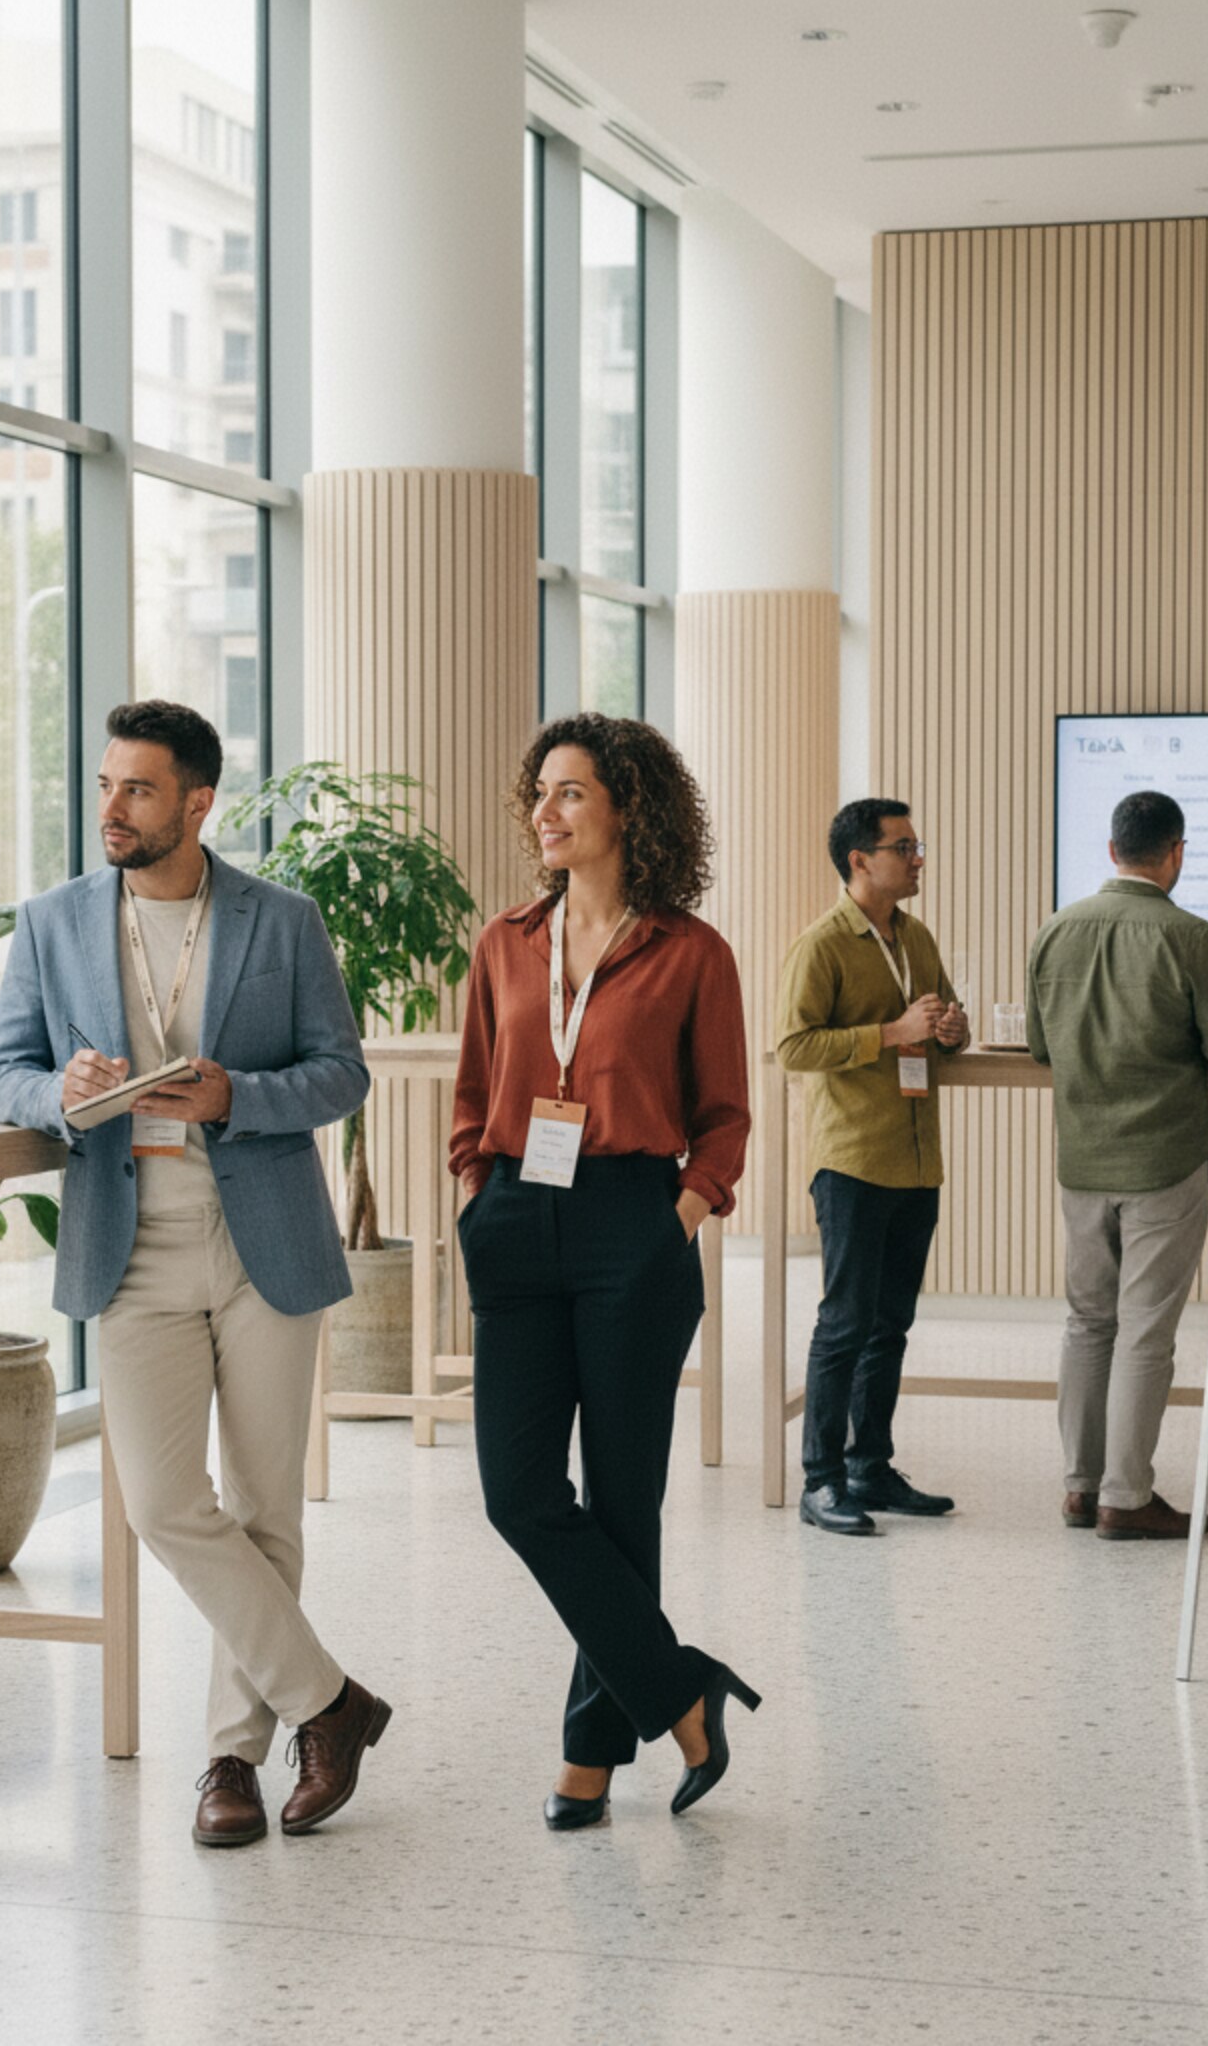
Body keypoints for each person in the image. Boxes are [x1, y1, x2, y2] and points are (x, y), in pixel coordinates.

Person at [0, 699, 391, 1850]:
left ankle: (231, 1758)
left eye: (138, 789)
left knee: (265, 1505)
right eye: (106, 784)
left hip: (261, 1239)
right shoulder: (54, 921)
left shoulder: (282, 919)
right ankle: (331, 1702)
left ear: (196, 802)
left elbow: (339, 1073)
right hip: (131, 1246)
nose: (110, 807)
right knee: (164, 1501)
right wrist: (55, 1093)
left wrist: (235, 1099)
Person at [451, 711, 757, 1832]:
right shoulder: (503, 942)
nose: (544, 811)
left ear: (627, 805)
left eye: (569, 791)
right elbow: (473, 1091)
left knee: (625, 1502)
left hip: (634, 1219)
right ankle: (682, 1690)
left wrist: (676, 1215)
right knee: (519, 1492)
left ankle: (587, 1755)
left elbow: (724, 1113)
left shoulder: (689, 951)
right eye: (539, 792)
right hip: (518, 1219)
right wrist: (476, 1201)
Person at [1026, 789, 1208, 1540]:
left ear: (1113, 850)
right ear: (1175, 853)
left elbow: (1041, 1047)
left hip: (1082, 1157)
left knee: (1088, 1322)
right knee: (1145, 1331)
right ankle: (1126, 1494)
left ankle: (1080, 1488)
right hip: (1165, 1159)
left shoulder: (1055, 930)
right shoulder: (1191, 935)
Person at [775, 800, 969, 1537]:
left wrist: (951, 1028)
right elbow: (794, 1046)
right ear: (860, 860)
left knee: (892, 1323)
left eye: (917, 844)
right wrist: (893, 1032)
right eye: (904, 846)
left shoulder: (914, 934)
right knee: (846, 1322)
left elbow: (944, 1018)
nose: (917, 857)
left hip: (917, 1160)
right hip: (854, 1157)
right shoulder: (822, 944)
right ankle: (821, 1481)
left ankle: (871, 1467)